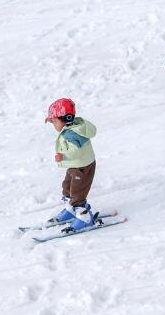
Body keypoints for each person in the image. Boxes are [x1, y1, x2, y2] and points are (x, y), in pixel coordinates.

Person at [44, 98, 98, 231]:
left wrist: (63, 156)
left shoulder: (74, 133)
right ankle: (71, 209)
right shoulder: (69, 129)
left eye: (55, 121)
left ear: (67, 119)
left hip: (83, 167)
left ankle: (85, 217)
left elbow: (76, 151)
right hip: (76, 166)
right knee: (67, 186)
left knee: (77, 193)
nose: (54, 125)